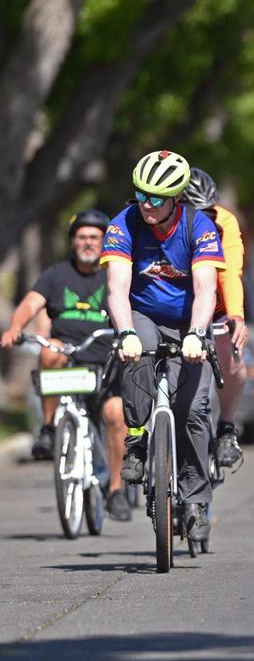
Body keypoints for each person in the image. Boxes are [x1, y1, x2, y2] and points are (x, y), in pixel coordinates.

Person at [101, 150, 225, 543]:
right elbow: (117, 289)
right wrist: (125, 333)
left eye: (157, 198)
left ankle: (193, 501)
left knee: (192, 413)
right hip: (143, 316)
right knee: (137, 353)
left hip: (188, 324)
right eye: (141, 195)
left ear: (175, 199)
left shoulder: (199, 226)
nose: (147, 205)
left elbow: (206, 288)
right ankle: (137, 440)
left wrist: (197, 333)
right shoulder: (123, 224)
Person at [1, 211, 132, 521]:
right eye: (82, 236)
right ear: (73, 241)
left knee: (115, 415)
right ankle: (48, 429)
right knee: (50, 352)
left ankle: (115, 489)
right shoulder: (56, 274)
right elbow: (31, 303)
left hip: (106, 360)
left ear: (105, 242)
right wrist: (14, 328)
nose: (88, 242)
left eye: (95, 237)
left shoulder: (114, 272)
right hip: (69, 358)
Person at [182, 167, 248, 465]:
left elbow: (231, 273)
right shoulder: (159, 223)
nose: (202, 219)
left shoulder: (223, 222)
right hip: (178, 303)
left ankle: (226, 427)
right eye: (194, 211)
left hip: (216, 303)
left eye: (207, 211)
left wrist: (235, 315)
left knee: (229, 354)